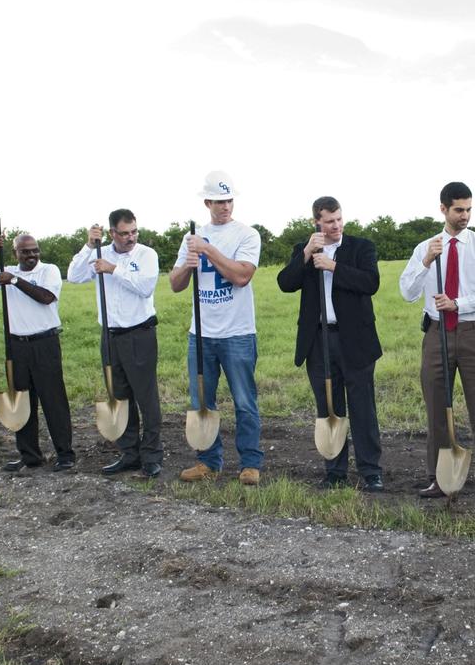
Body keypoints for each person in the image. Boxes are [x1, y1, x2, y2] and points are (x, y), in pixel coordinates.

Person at [400, 181, 475, 498]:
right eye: (459, 210)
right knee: (437, 407)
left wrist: (458, 304)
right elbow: (406, 292)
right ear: (443, 209)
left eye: (469, 209)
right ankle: (439, 476)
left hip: (473, 332)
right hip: (436, 334)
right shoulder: (425, 248)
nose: (465, 216)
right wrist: (425, 263)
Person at [277, 196, 384, 491]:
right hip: (319, 340)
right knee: (329, 407)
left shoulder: (361, 247)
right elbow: (285, 283)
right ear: (317, 223)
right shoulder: (305, 249)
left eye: (339, 219)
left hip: (356, 340)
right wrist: (307, 255)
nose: (336, 226)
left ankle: (370, 471)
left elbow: (370, 282)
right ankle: (335, 472)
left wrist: (333, 267)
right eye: (329, 221)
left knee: (362, 408)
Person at [170, 171, 264, 486]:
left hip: (237, 333)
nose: (225, 206)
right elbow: (175, 284)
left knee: (244, 400)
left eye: (229, 200)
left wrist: (207, 250)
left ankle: (250, 463)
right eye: (219, 201)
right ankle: (208, 461)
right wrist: (188, 262)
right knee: (201, 401)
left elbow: (241, 276)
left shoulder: (247, 235)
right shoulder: (191, 239)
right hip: (201, 335)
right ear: (207, 202)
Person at [67, 209, 163, 478]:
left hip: (139, 333)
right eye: (124, 233)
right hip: (110, 334)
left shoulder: (146, 254)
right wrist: (88, 246)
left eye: (134, 231)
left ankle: (152, 455)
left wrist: (114, 270)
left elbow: (145, 287)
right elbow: (74, 276)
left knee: (146, 397)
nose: (130, 237)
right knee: (119, 396)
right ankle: (129, 453)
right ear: (112, 233)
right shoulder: (100, 253)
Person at [0, 232, 76, 473]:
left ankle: (65, 453)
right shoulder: (7, 269)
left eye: (35, 250)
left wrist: (14, 281)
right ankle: (30, 454)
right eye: (25, 251)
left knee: (54, 400)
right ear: (15, 253)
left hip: (45, 343)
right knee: (21, 399)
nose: (32, 255)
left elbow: (45, 297)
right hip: (17, 345)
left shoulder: (48, 270)